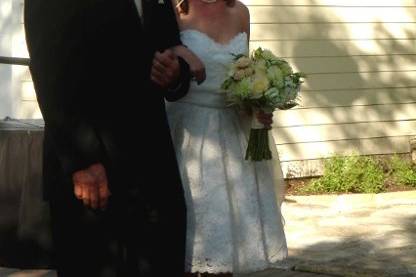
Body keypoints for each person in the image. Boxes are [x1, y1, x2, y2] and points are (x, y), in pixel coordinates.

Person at [24, 0, 192, 276]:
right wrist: (83, 163)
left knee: (164, 258)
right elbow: (49, 73)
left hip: (153, 161)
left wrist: (174, 75)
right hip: (94, 167)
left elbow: (169, 49)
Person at [166, 0, 288, 276]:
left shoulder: (241, 12)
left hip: (234, 136)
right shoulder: (174, 12)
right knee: (191, 241)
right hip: (189, 135)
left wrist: (257, 104)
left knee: (228, 248)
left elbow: (241, 73)